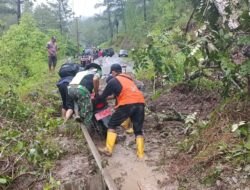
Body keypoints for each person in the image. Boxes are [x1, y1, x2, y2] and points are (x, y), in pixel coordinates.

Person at [97, 64, 145, 158]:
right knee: (138, 131)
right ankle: (141, 154)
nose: (112, 74)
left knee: (111, 124)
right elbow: (121, 93)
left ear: (114, 72)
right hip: (140, 103)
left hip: (127, 104)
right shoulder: (128, 80)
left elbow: (102, 97)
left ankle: (108, 149)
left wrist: (96, 99)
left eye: (112, 73)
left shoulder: (113, 80)